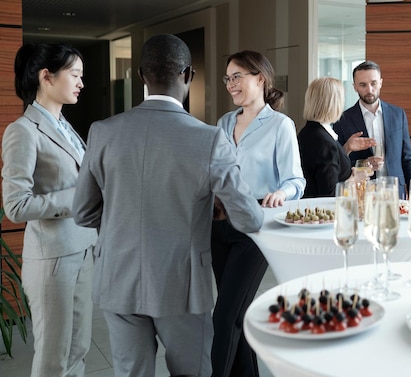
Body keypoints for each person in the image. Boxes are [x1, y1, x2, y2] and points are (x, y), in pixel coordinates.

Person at [72, 34, 264, 377]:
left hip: (119, 277)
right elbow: (249, 218)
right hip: (183, 285)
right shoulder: (209, 138)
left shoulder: (102, 131)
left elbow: (84, 211)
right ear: (188, 74)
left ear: (141, 75)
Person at [2, 43, 97, 377]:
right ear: (46, 76)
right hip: (52, 260)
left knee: (79, 347)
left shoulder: (65, 126)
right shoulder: (23, 132)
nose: (81, 83)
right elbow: (15, 205)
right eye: (74, 74)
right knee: (54, 355)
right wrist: (79, 196)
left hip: (83, 248)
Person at [212, 50, 305, 377]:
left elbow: (296, 180)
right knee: (237, 315)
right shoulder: (224, 123)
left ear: (260, 78)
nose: (231, 84)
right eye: (228, 78)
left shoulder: (280, 125)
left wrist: (282, 192)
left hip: (254, 229)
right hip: (219, 226)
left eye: (237, 76)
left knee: (223, 317)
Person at [333, 60, 411, 191]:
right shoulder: (342, 120)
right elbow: (337, 164)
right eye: (363, 85)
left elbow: (407, 158)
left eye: (373, 83)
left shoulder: (398, 114)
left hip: (395, 191)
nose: (369, 90)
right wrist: (363, 164)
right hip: (361, 192)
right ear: (354, 86)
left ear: (381, 83)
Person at [298, 77, 353, 197]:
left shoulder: (307, 132)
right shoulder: (323, 141)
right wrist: (353, 181)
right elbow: (329, 192)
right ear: (334, 103)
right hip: (325, 211)